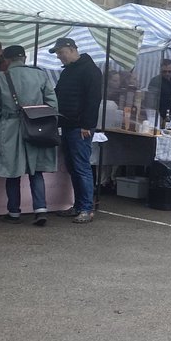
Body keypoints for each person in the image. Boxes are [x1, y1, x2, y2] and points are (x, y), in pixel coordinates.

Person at [0, 46, 58, 226]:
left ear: (6, 60)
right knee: (36, 170)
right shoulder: (40, 75)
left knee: (12, 169)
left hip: (11, 127)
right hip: (36, 125)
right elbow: (52, 103)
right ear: (24, 58)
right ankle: (40, 209)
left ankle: (14, 212)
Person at [50, 36, 102, 223]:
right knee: (74, 167)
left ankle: (86, 208)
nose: (59, 57)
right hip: (67, 125)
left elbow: (93, 100)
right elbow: (57, 93)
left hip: (80, 128)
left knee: (81, 167)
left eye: (61, 53)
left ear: (71, 49)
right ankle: (79, 206)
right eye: (58, 54)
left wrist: (87, 125)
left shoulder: (90, 71)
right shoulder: (68, 72)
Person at [147, 58, 171, 122]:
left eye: (170, 71)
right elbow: (151, 102)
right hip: (159, 117)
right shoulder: (155, 81)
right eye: (164, 71)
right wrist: (170, 97)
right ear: (160, 70)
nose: (167, 74)